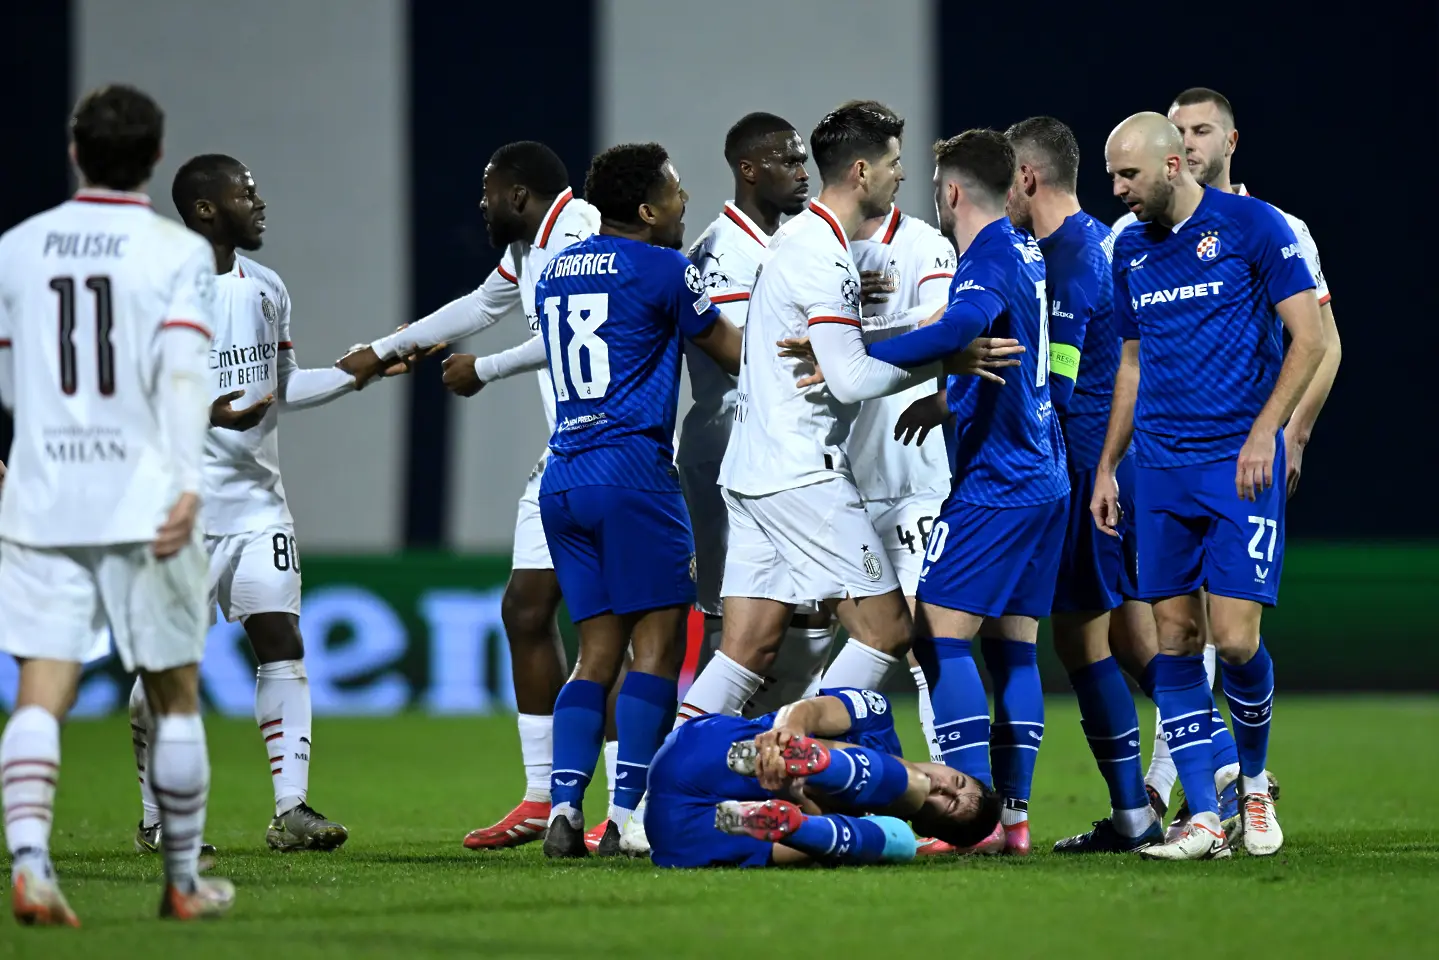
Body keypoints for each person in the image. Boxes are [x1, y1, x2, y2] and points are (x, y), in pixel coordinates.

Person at [0, 84, 233, 922]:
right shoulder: (174, 254)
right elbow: (181, 379)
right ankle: (179, 882)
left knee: (41, 689)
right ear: (157, 155)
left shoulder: (18, 249)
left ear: (75, 151)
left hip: (42, 499)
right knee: (173, 692)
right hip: (146, 502)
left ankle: (30, 862)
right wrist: (188, 483)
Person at [336, 142, 602, 851]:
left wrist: (483, 370)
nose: (480, 206)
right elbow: (482, 305)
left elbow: (568, 332)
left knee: (616, 630)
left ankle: (629, 800)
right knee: (525, 609)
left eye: (488, 193)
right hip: (566, 449)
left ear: (518, 194)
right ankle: (543, 797)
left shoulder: (581, 232)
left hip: (614, 446)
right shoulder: (529, 251)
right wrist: (383, 349)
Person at [1095, 112, 1326, 859]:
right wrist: (1107, 466)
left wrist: (1271, 431)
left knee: (1232, 641)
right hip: (1159, 470)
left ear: (1172, 167)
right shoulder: (1127, 249)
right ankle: (1201, 815)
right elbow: (1129, 365)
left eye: (1127, 175)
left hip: (1236, 468)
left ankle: (1251, 784)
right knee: (1174, 639)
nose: (1117, 190)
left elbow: (1312, 338)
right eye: (1110, 177)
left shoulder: (1255, 226)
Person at [126, 155, 363, 856]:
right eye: (245, 193)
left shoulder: (266, 288)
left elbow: (282, 385)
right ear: (204, 209)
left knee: (281, 642)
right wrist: (206, 415)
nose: (259, 203)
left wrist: (358, 375)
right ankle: (156, 818)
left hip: (260, 505)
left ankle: (290, 809)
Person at [679, 102, 941, 725]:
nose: (900, 175)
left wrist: (914, 328)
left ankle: (657, 798)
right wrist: (945, 356)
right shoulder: (822, 254)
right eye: (894, 163)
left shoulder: (800, 240)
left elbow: (841, 352)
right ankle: (787, 754)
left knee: (746, 650)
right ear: (860, 171)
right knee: (886, 632)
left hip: (752, 474)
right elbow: (850, 380)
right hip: (803, 474)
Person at [535, 142, 747, 857]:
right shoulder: (663, 267)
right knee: (655, 648)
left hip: (562, 479)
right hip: (633, 475)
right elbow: (731, 350)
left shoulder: (556, 270)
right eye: (677, 190)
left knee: (593, 655)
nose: (686, 201)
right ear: (649, 209)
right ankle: (625, 817)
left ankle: (564, 807)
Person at [874, 130, 1077, 856]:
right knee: (1013, 652)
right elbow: (1009, 349)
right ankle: (1012, 822)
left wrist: (854, 353)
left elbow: (960, 326)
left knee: (937, 639)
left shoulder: (986, 257)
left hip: (998, 485)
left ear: (952, 191)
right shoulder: (1025, 248)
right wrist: (951, 399)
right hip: (1044, 475)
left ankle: (964, 823)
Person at [1001, 118, 1165, 853]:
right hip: (1106, 467)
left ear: (1026, 178)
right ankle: (1202, 767)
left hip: (1081, 469)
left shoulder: (1070, 259)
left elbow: (1055, 389)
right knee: (1125, 637)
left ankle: (1146, 804)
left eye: (1003, 177)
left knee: (1079, 640)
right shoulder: (1090, 241)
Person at [678, 112, 834, 716]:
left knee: (809, 614)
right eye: (790, 161)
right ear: (748, 169)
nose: (804, 173)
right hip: (730, 443)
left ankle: (779, 758)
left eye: (803, 160)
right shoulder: (720, 252)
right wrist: (849, 337)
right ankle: (699, 765)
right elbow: (750, 354)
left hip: (786, 445)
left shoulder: (790, 243)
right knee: (736, 615)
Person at [647, 688, 999, 867]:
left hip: (693, 828)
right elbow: (808, 710)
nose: (941, 787)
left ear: (930, 828)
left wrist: (800, 802)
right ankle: (802, 763)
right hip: (716, 752)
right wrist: (789, 733)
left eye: (946, 805)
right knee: (907, 789)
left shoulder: (885, 826)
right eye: (956, 783)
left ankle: (798, 815)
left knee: (896, 841)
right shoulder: (876, 716)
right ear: (952, 767)